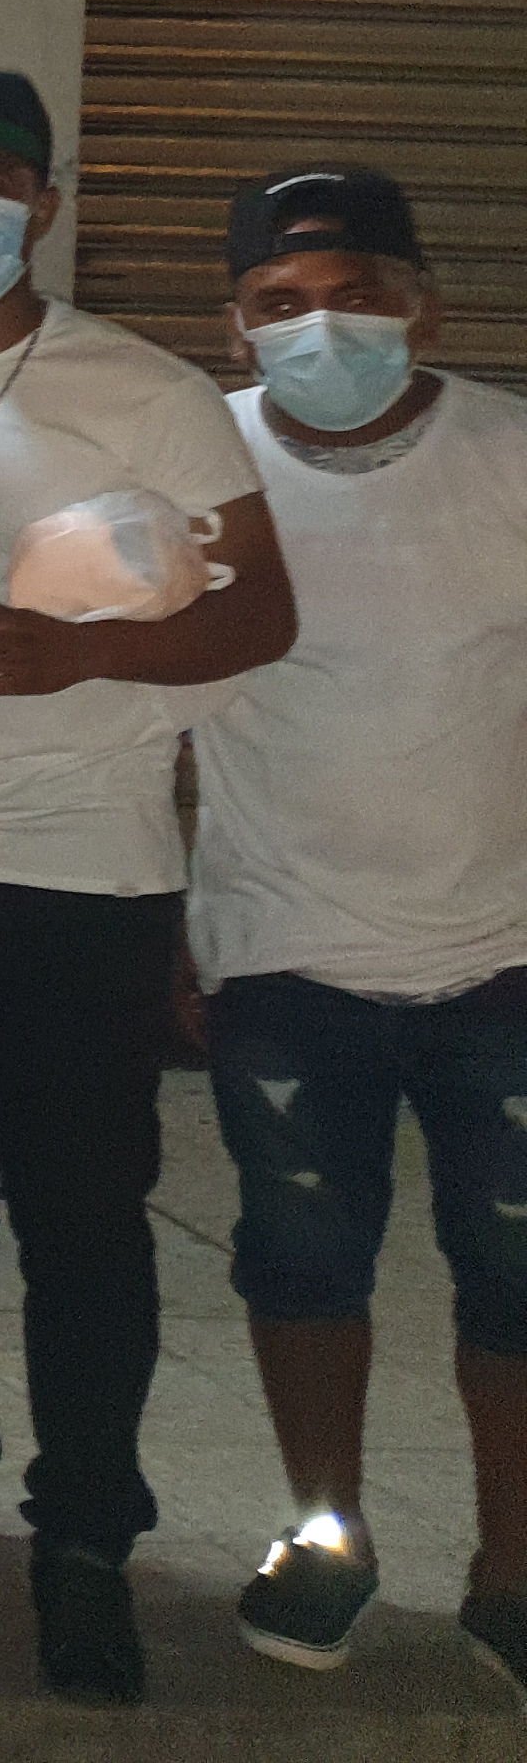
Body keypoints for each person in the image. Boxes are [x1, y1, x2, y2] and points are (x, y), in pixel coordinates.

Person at [0, 65, 295, 1706]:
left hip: (87, 877)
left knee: (85, 1224)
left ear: (43, 198)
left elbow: (256, 615)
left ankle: (87, 1535)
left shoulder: (143, 392)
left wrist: (80, 652)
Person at [188, 168, 527, 1689]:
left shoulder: (511, 458)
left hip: (506, 957)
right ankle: (327, 1539)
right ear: (236, 326)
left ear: (424, 309)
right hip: (283, 953)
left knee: (516, 1279)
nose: (320, 327)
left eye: (358, 295)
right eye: (281, 302)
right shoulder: (200, 468)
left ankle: (513, 1570)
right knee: (302, 1264)